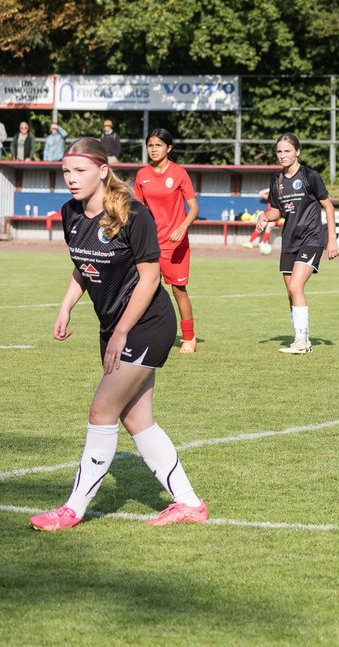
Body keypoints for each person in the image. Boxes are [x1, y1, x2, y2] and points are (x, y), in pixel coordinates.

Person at [29, 138, 207, 531]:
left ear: (102, 170)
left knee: (102, 410)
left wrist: (122, 330)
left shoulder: (133, 214)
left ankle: (72, 509)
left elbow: (150, 277)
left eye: (80, 171)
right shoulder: (70, 213)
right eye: (66, 173)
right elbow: (84, 263)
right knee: (137, 421)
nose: (71, 180)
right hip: (113, 327)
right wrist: (66, 304)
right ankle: (190, 503)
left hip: (146, 324)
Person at [255, 133, 339, 354]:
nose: (282, 155)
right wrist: (264, 216)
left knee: (296, 287)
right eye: (279, 151)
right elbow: (276, 210)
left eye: (287, 151)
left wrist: (331, 239)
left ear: (297, 152)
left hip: (312, 238)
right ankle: (299, 337)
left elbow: (328, 206)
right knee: (290, 292)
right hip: (289, 240)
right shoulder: (276, 180)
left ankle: (303, 342)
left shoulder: (310, 176)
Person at [133, 128, 199, 353]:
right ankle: (147, 333)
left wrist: (182, 227)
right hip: (151, 243)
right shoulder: (142, 175)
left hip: (175, 243)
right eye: (150, 145)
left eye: (158, 145)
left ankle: (189, 338)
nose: (153, 149)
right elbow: (138, 210)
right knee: (145, 288)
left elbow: (194, 208)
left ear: (169, 148)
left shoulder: (180, 173)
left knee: (179, 289)